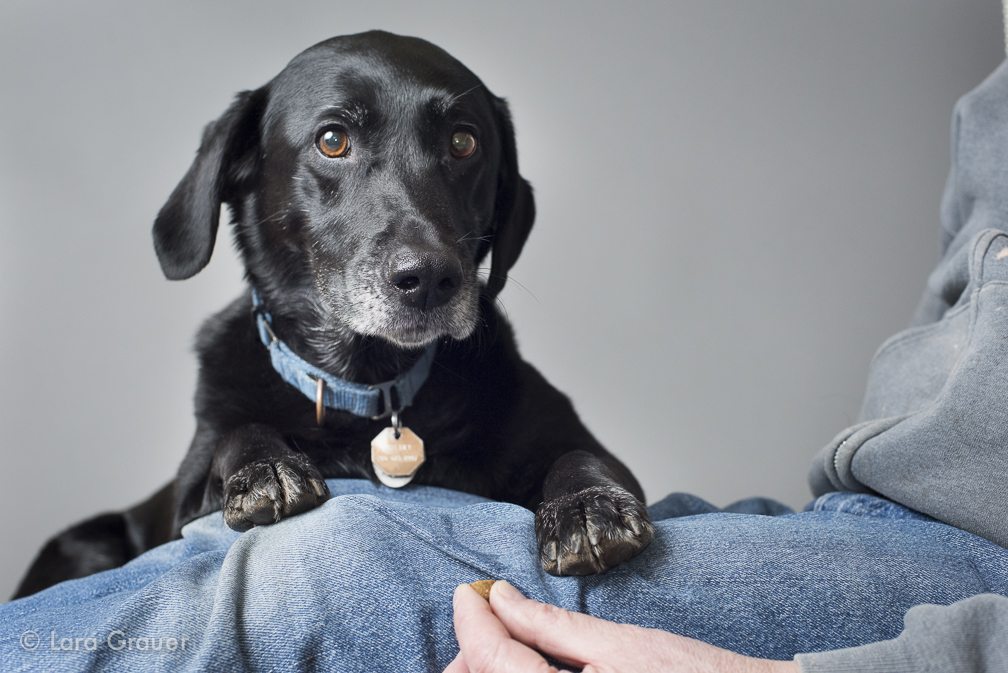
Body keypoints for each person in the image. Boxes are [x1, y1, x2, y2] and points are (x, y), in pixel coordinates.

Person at [3, 54, 1007, 673]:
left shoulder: (499, 384)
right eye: (337, 141)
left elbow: (595, 473)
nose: (419, 238)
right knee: (136, 568)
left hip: (960, 560)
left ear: (492, 223)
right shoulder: (239, 402)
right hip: (876, 517)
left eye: (458, 145)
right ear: (241, 186)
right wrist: (243, 453)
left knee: (310, 576)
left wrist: (578, 487)